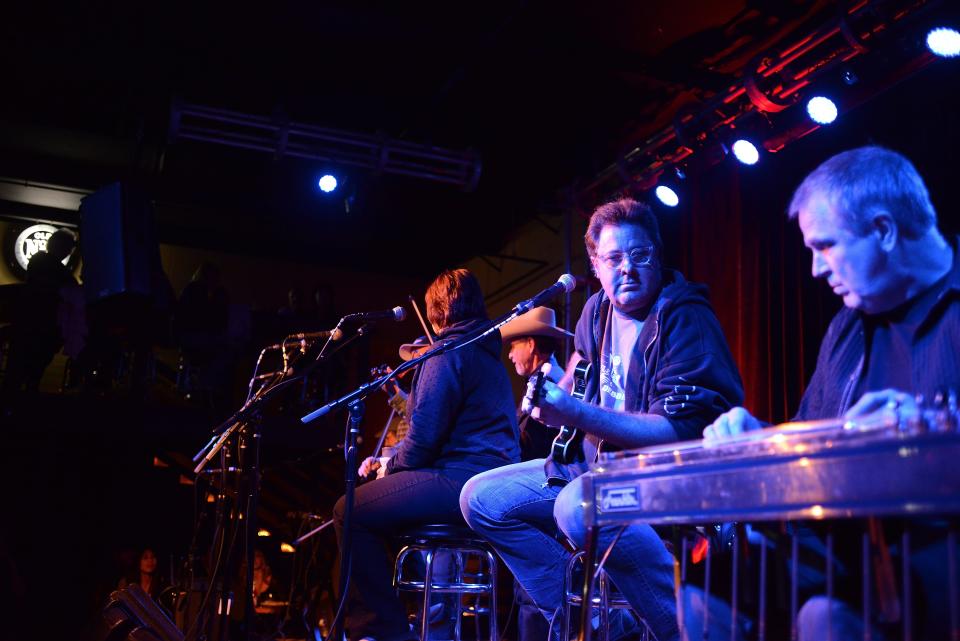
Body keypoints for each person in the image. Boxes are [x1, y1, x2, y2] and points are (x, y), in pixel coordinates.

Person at [703, 146, 960, 640]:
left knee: (825, 617)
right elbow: (810, 439)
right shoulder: (846, 327)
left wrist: (928, 429)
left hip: (937, 559)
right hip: (851, 556)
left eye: (825, 247)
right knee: (711, 585)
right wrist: (759, 437)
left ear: (883, 230)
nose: (816, 270)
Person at [460, 198, 744, 641]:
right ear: (596, 265)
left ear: (658, 256)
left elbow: (678, 432)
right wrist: (554, 396)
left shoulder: (686, 318)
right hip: (592, 466)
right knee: (481, 499)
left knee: (579, 505)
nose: (627, 268)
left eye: (640, 255)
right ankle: (604, 626)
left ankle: (684, 630)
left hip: (667, 476)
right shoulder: (597, 311)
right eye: (613, 258)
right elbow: (582, 376)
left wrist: (576, 411)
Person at [332, 268, 520, 641]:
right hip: (491, 482)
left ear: (436, 312)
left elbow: (422, 444)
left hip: (460, 481)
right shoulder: (487, 355)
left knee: (348, 510)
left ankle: (380, 632)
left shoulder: (447, 352)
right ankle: (409, 616)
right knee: (375, 511)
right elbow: (439, 433)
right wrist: (392, 464)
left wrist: (390, 468)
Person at [499, 306, 574, 641]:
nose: (510, 354)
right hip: (538, 504)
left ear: (530, 343)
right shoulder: (538, 383)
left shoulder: (556, 384)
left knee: (534, 594)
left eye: (513, 345)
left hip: (550, 505)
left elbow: (544, 448)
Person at [1, 228, 78, 397]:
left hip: (28, 325)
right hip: (42, 328)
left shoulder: (39, 261)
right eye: (67, 248)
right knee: (32, 374)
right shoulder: (55, 270)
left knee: (16, 374)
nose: (67, 253)